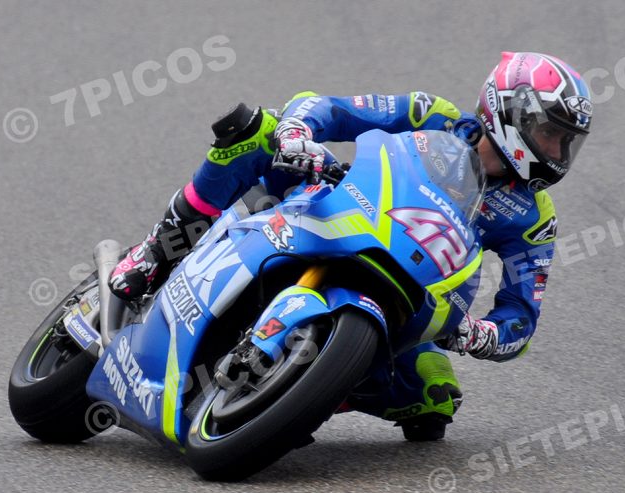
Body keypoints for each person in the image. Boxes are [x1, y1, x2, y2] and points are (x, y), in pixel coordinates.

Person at [109, 52, 593, 440]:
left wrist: (484, 334)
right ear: (511, 112)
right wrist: (298, 132)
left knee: (434, 398)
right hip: (337, 211)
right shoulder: (433, 115)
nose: (556, 153)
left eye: (566, 142)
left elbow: (521, 316)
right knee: (256, 131)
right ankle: (157, 250)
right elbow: (331, 109)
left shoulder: (535, 218)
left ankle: (302, 393)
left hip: (414, 292)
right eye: (550, 134)